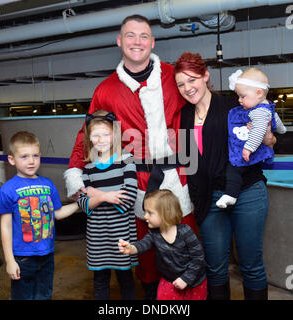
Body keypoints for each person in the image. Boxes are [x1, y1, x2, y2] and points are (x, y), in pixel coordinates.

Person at [64, 14, 197, 300]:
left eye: (144, 36)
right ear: (119, 41)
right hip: (134, 182)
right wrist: (75, 176)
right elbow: (84, 136)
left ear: (153, 41)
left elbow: (204, 110)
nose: (137, 42)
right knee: (145, 257)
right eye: (130, 35)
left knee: (187, 249)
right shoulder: (106, 89)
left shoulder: (174, 77)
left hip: (179, 177)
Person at [174, 52, 276, 300]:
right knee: (215, 268)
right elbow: (189, 163)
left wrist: (266, 136)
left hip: (248, 193)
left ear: (205, 76)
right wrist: (195, 199)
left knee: (250, 265)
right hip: (210, 199)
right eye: (181, 84)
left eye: (192, 80)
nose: (188, 88)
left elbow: (271, 142)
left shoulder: (234, 105)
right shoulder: (185, 116)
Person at [0, 131, 78, 300]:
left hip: (47, 254)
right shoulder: (8, 189)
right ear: (12, 160)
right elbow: (5, 226)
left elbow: (57, 214)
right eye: (24, 156)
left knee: (44, 295)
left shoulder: (48, 185)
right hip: (22, 257)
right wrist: (10, 260)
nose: (31, 161)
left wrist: (80, 204)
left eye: (35, 155)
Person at [76, 110, 138, 300]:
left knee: (126, 278)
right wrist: (106, 196)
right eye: (96, 135)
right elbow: (82, 203)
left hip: (122, 233)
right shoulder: (87, 169)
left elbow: (129, 196)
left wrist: (96, 194)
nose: (101, 139)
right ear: (89, 138)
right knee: (100, 280)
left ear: (115, 135)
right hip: (98, 236)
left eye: (106, 134)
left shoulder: (126, 160)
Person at [216, 68, 287, 208]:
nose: (239, 100)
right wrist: (282, 129)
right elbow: (276, 121)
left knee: (234, 168)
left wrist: (249, 148)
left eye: (243, 96)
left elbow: (258, 131)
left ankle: (231, 195)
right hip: (254, 156)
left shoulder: (258, 112)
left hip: (250, 152)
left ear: (258, 93)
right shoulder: (266, 107)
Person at [118, 189, 207, 300]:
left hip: (195, 282)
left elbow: (198, 258)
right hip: (170, 280)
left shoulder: (185, 231)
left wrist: (185, 279)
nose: (145, 216)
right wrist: (131, 248)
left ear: (167, 213)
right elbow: (143, 244)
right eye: (145, 212)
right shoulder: (154, 233)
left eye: (150, 213)